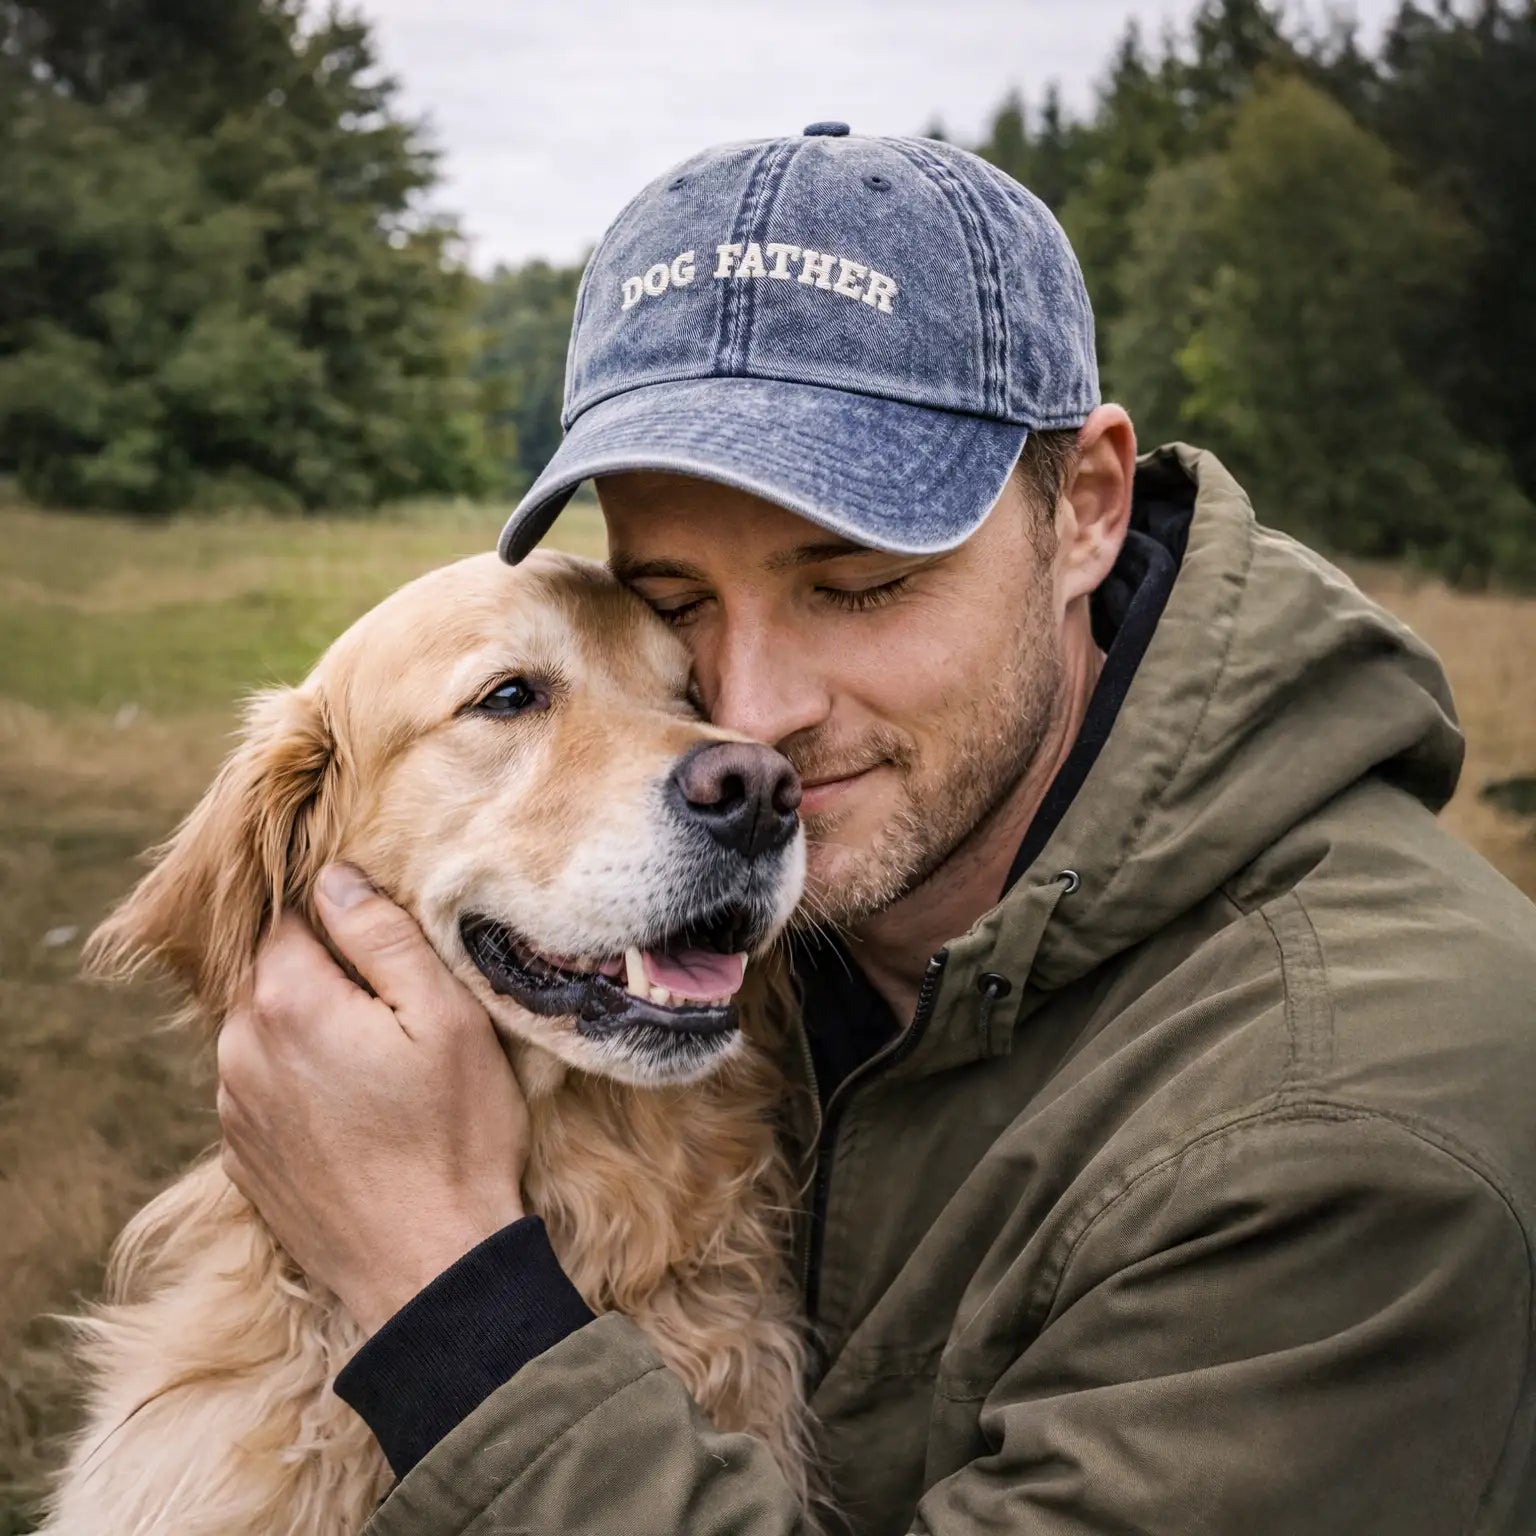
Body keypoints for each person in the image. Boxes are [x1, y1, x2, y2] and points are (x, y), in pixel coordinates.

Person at [216, 124, 1536, 1534]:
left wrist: (443, 1291)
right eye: (672, 606)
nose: (750, 718)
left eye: (859, 584)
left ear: (1084, 509)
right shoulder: (770, 914)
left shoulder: (1346, 1116)